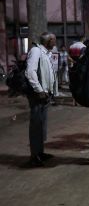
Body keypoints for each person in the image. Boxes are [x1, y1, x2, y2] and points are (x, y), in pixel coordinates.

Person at [25, 32, 58, 167]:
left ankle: (40, 152)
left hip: (45, 94)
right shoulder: (36, 51)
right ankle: (34, 156)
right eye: (54, 40)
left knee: (41, 124)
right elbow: (30, 71)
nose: (55, 42)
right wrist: (39, 89)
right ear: (49, 40)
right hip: (38, 94)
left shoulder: (46, 53)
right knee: (36, 125)